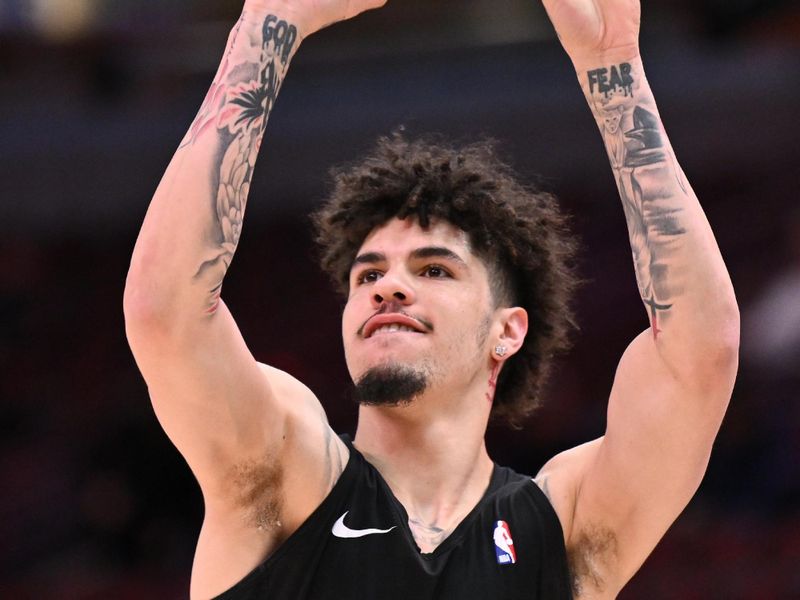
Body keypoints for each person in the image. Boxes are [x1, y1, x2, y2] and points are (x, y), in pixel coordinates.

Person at [123, 0, 740, 598]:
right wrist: (267, 23)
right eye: (366, 277)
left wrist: (614, 71)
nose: (388, 286)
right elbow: (166, 312)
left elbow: (700, 356)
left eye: (435, 270)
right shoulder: (286, 470)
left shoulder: (562, 530)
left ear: (508, 331)